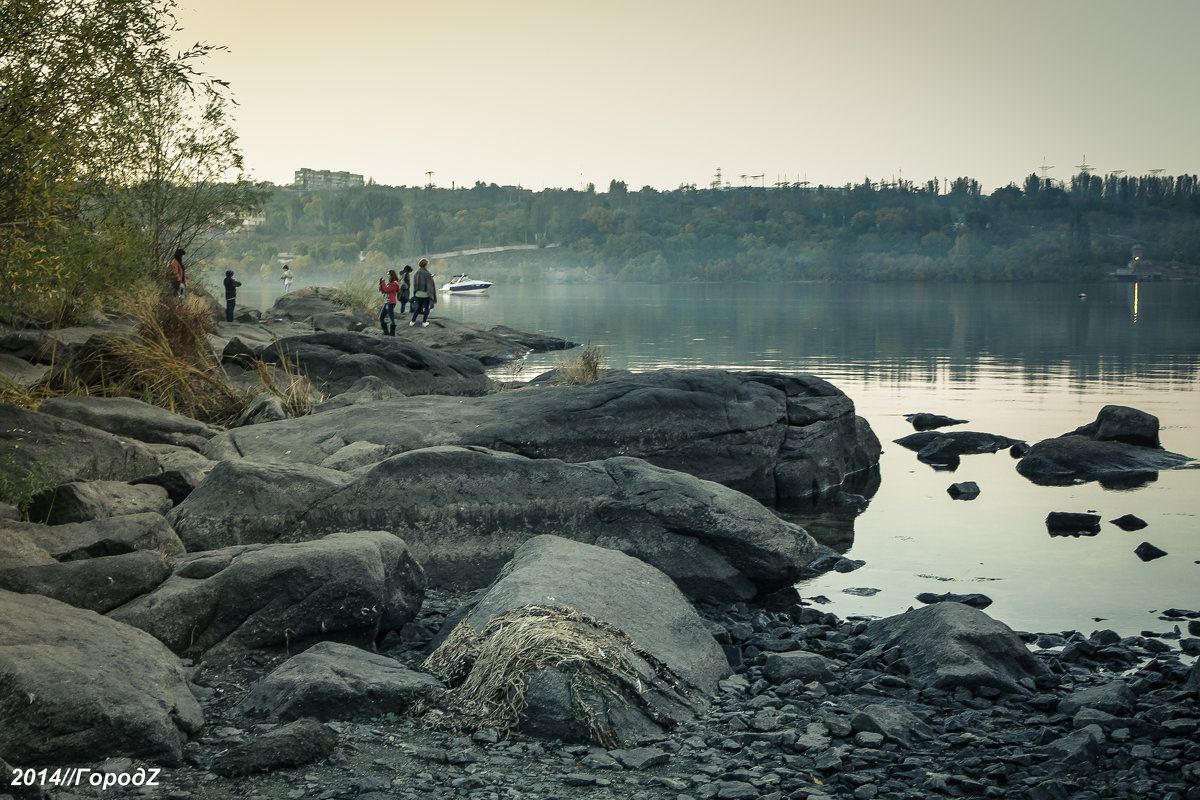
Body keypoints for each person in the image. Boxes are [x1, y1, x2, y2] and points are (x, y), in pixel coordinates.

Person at [409, 258, 437, 327]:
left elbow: (415, 284)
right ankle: (424, 322)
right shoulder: (427, 273)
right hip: (425, 294)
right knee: (427, 307)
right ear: (426, 265)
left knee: (418, 308)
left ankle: (412, 322)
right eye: (427, 264)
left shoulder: (416, 273)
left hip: (418, 294)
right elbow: (430, 285)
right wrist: (433, 278)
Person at [379, 269, 401, 335]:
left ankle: (392, 333)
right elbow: (384, 291)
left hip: (390, 303)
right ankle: (386, 332)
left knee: (391, 318)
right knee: (381, 318)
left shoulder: (394, 284)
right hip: (387, 302)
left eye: (388, 274)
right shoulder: (391, 283)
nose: (387, 276)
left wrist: (383, 282)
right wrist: (381, 283)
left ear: (392, 275)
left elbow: (386, 290)